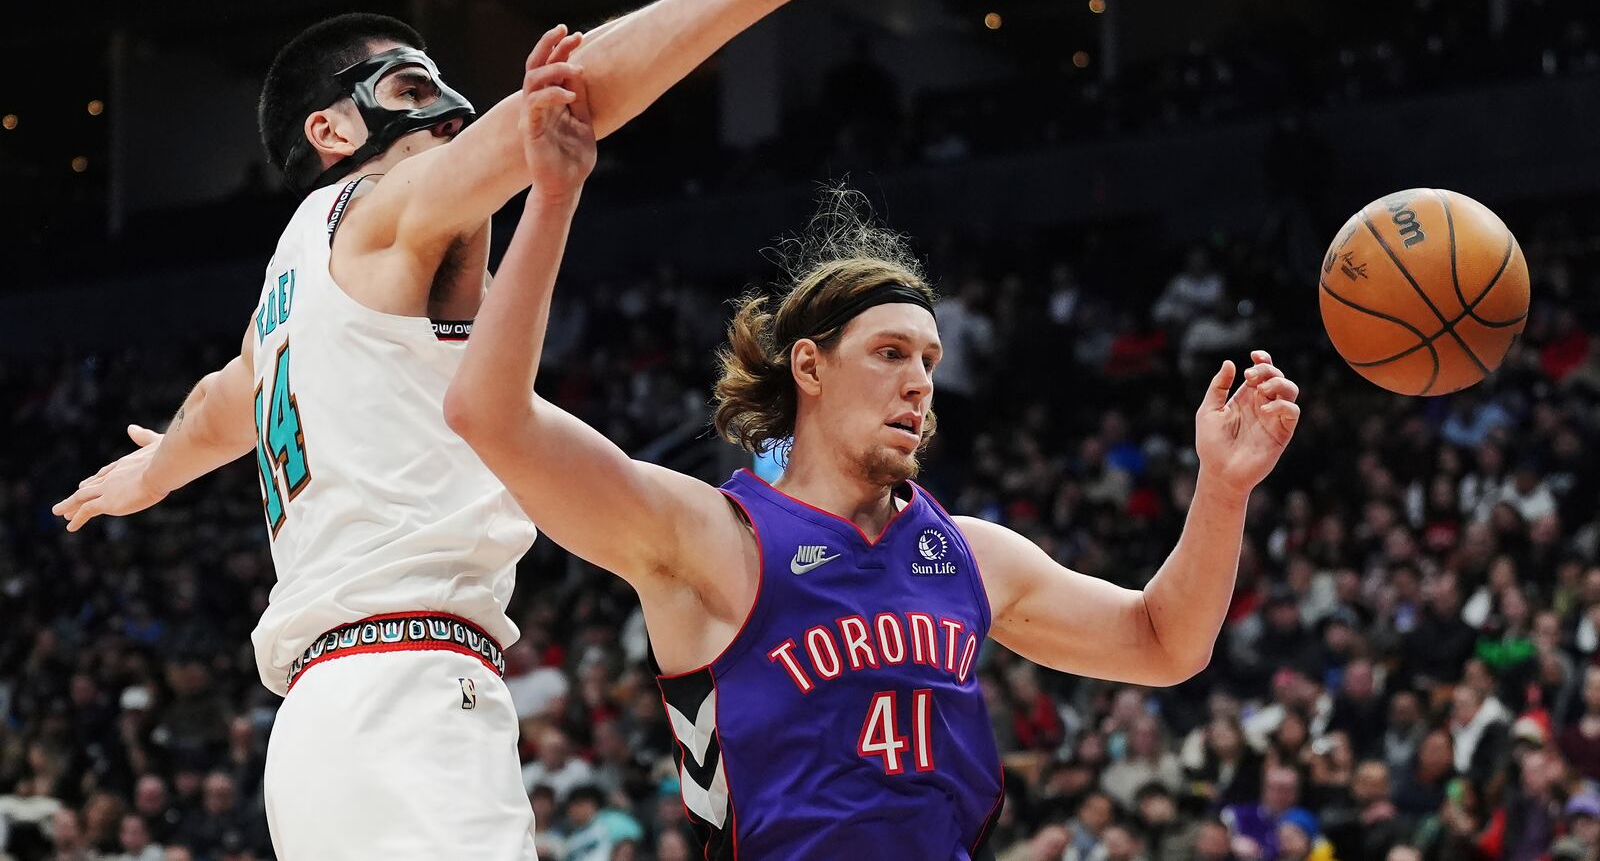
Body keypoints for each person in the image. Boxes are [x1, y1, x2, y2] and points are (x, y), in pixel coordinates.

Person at [48, 0, 947, 861]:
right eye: (405, 80)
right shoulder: (380, 205)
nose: (442, 100)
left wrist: (152, 468)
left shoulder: (283, 290)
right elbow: (566, 104)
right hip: (404, 692)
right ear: (332, 127)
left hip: (320, 725)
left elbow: (224, 403)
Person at [445, 83, 1302, 856]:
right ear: (810, 369)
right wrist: (553, 200)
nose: (918, 381)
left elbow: (1164, 643)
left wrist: (1223, 489)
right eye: (890, 353)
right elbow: (489, 413)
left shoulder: (971, 556)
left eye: (929, 359)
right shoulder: (711, 538)